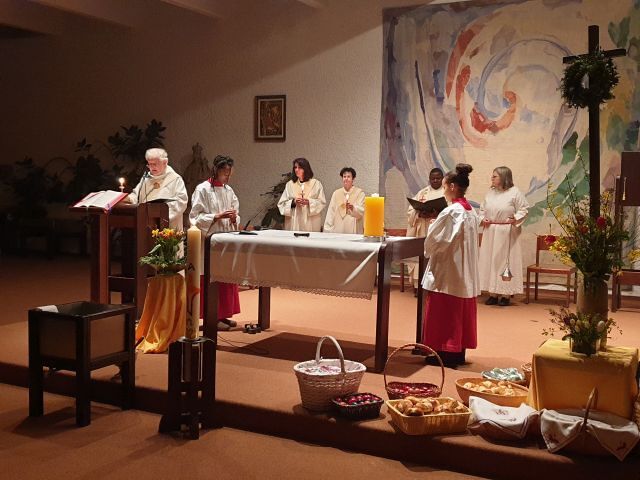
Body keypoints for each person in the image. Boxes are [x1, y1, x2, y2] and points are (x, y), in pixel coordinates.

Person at [422, 164, 479, 367]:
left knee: (445, 310)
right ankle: (458, 351)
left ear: (453, 187)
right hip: (464, 270)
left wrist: (432, 226)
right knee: (459, 310)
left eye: (445, 186)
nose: (444, 190)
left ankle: (445, 353)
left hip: (449, 269)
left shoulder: (452, 212)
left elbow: (438, 241)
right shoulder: (470, 210)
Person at [189, 155, 241, 331]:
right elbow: (195, 217)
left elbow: (236, 212)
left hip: (225, 239)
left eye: (230, 173)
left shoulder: (228, 190)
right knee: (210, 277)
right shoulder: (202, 189)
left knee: (224, 277)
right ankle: (211, 317)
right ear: (216, 170)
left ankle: (223, 315)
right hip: (209, 241)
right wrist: (216, 216)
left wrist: (234, 217)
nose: (228, 176)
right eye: (225, 173)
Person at [478, 166, 529, 306]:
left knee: (505, 262)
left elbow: (524, 209)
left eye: (495, 176)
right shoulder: (490, 193)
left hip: (507, 232)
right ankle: (493, 294)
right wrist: (482, 218)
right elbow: (482, 209)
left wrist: (515, 218)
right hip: (490, 231)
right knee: (490, 261)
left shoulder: (515, 192)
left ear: (504, 177)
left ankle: (506, 294)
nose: (492, 178)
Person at [127, 148, 188, 232]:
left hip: (168, 228)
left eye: (155, 164)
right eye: (150, 164)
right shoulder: (146, 179)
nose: (152, 167)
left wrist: (160, 214)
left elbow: (181, 201)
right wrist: (127, 199)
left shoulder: (175, 179)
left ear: (165, 162)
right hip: (145, 225)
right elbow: (136, 195)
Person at [406, 168, 445, 289]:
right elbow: (410, 210)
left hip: (439, 232)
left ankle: (435, 286)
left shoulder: (446, 192)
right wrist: (419, 214)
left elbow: (450, 211)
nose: (435, 180)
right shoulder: (422, 193)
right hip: (423, 230)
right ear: (429, 179)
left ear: (442, 179)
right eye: (433, 178)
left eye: (438, 178)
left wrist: (436, 214)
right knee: (422, 256)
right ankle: (419, 286)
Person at [277, 157, 326, 232]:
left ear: (306, 169)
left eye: (299, 167)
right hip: (295, 221)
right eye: (295, 167)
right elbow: (281, 204)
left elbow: (322, 202)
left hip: (310, 221)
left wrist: (309, 202)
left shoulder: (316, 184)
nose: (296, 170)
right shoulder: (290, 185)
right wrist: (293, 202)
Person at [323, 167, 365, 234]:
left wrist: (353, 208)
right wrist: (328, 228)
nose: (346, 179)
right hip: (339, 227)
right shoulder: (336, 193)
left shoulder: (359, 193)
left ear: (353, 179)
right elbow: (331, 211)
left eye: (348, 177)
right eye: (344, 176)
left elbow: (362, 210)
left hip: (353, 228)